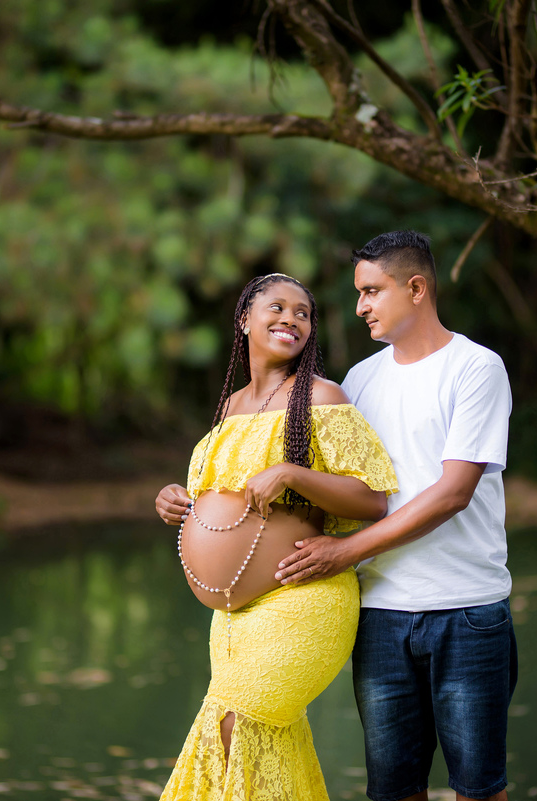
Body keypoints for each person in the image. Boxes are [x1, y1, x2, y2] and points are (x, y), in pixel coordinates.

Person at [275, 231, 516, 801]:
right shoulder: (359, 381)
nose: (360, 306)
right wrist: (197, 500)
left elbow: (453, 492)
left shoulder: (476, 367)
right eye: (359, 293)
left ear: (416, 288)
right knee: (392, 791)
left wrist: (346, 552)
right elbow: (324, 483)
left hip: (467, 609)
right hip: (380, 614)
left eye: (372, 291)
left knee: (479, 790)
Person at [154, 273, 398, 801]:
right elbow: (212, 499)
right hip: (233, 620)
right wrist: (175, 500)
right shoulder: (229, 408)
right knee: (249, 741)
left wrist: (293, 474)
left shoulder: (322, 397)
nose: (291, 319)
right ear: (245, 318)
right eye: (278, 307)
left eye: (303, 313)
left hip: (303, 596)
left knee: (237, 721)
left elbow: (372, 499)